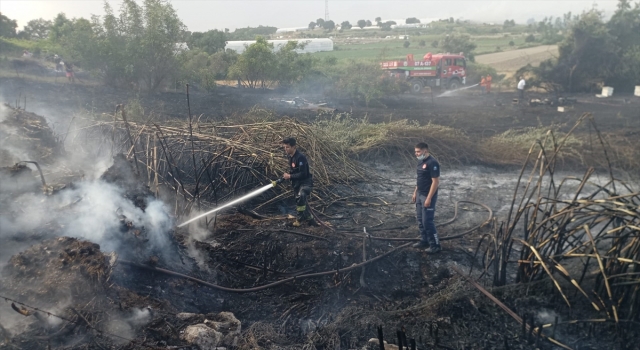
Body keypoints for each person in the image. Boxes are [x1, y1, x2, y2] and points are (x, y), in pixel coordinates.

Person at [411, 142, 441, 253]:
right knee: (420, 219)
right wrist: (415, 192)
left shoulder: (432, 163)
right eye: (415, 152)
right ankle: (424, 240)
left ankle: (436, 245)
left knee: (427, 221)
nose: (416, 154)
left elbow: (435, 182)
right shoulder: (420, 162)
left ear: (425, 151)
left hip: (428, 196)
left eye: (418, 151)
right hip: (420, 194)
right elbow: (420, 179)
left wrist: (428, 198)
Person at [281, 137, 315, 227]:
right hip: (297, 183)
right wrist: (287, 176)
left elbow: (303, 174)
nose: (285, 149)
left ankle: (299, 220)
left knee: (301, 196)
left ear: (294, 147)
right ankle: (311, 220)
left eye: (287, 147)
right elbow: (294, 170)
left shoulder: (301, 157)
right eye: (284, 147)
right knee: (301, 202)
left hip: (305, 183)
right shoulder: (290, 157)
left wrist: (290, 176)